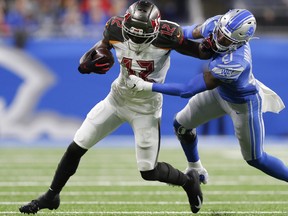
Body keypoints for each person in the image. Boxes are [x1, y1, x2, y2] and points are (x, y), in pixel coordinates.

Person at [19, 0, 213, 214]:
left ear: (155, 29)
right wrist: (90, 62)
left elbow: (201, 52)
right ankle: (51, 196)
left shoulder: (168, 35)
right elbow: (100, 47)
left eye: (142, 35)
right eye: (132, 33)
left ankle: (188, 181)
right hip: (117, 99)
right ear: (125, 25)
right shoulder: (115, 27)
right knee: (76, 146)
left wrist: (220, 42)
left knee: (148, 170)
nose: (136, 39)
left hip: (146, 108)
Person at [127, 8, 288, 187]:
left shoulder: (236, 61)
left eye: (225, 39)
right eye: (219, 33)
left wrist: (147, 86)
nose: (218, 39)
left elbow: (188, 90)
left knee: (256, 158)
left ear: (239, 42)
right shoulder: (216, 23)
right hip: (220, 92)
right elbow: (185, 32)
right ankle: (195, 167)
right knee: (181, 126)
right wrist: (158, 30)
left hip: (242, 105)